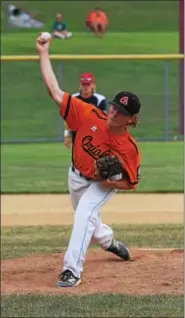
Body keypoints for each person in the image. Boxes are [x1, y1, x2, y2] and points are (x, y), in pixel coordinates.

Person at [36, 33, 141, 288]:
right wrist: (43, 53)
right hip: (75, 176)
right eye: (115, 107)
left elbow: (130, 182)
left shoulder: (129, 148)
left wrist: (106, 179)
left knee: (84, 213)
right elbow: (54, 91)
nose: (114, 113)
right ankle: (109, 241)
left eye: (121, 113)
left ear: (131, 120)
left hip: (101, 185)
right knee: (89, 222)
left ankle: (71, 270)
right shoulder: (88, 114)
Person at [64, 72, 107, 148]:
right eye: (83, 84)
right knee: (78, 158)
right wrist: (67, 134)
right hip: (77, 133)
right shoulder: (73, 98)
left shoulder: (100, 99)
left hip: (94, 133)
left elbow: (103, 120)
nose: (85, 87)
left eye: (88, 84)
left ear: (93, 85)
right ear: (80, 85)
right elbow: (68, 118)